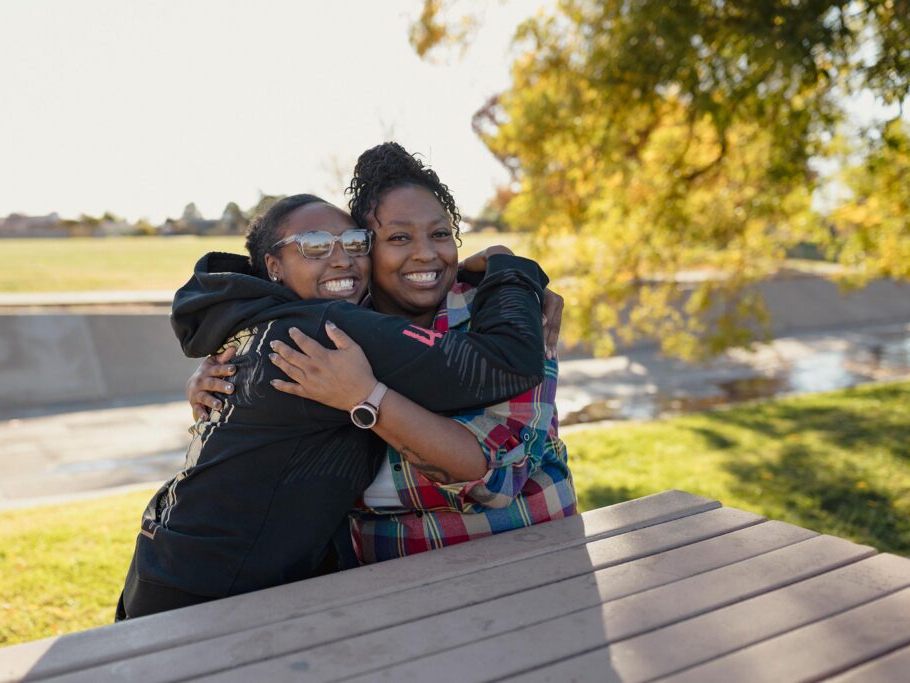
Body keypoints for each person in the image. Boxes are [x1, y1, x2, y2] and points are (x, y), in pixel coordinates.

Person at [118, 193, 550, 619]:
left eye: (355, 243)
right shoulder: (325, 330)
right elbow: (504, 362)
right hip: (212, 594)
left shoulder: (259, 321)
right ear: (273, 266)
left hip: (175, 566)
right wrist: (511, 270)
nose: (342, 259)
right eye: (315, 246)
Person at [188, 142, 576, 565]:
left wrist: (367, 398)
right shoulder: (330, 333)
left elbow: (498, 480)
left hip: (531, 555)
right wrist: (213, 388)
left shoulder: (506, 312)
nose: (426, 253)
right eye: (399, 237)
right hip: (385, 579)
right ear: (366, 249)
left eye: (441, 234)